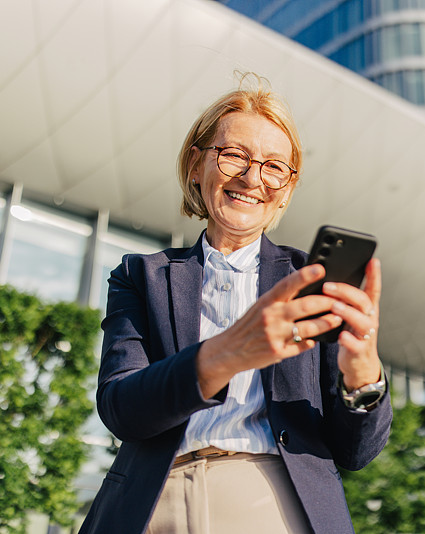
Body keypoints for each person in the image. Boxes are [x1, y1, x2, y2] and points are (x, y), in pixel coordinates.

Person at [79, 74, 392, 534]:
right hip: (152, 502)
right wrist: (225, 354)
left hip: (275, 502)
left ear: (286, 187)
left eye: (273, 167)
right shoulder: (140, 275)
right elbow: (121, 409)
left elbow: (357, 453)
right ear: (195, 164)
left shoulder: (312, 281)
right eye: (233, 156)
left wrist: (363, 372)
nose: (252, 178)